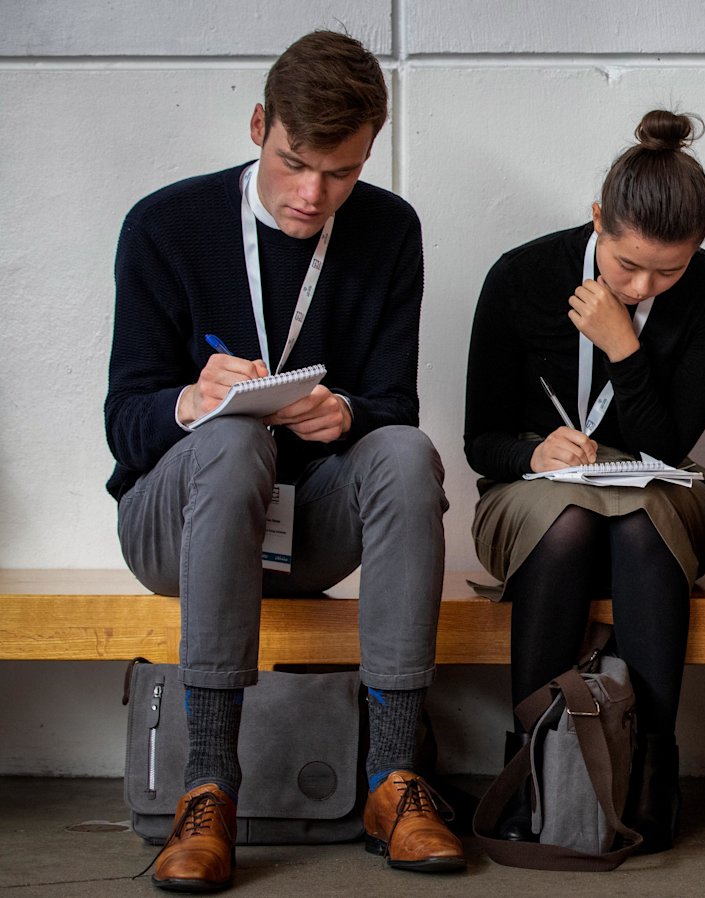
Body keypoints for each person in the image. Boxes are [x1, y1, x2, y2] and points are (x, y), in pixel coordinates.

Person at [106, 31, 461, 891]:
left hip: (305, 527)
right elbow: (125, 422)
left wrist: (341, 413)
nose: (312, 195)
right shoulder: (166, 224)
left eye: (341, 173)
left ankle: (391, 778)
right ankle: (209, 786)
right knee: (231, 438)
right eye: (294, 162)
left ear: (370, 149)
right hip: (177, 530)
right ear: (259, 124)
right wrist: (193, 402)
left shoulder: (387, 230)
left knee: (409, 455)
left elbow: (393, 411)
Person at [464, 110, 705, 853]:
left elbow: (668, 447)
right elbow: (479, 440)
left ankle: (650, 771)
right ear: (597, 218)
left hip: (661, 495)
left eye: (668, 271)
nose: (644, 284)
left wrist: (624, 344)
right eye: (626, 266)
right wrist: (534, 455)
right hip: (536, 499)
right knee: (569, 523)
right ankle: (536, 761)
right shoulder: (522, 276)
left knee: (641, 522)